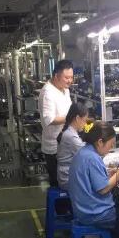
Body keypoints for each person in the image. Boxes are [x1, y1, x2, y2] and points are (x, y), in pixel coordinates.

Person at [68, 121, 119, 229]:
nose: (111, 147)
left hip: (82, 211)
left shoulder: (83, 152)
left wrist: (109, 174)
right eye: (111, 144)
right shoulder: (93, 158)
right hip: (96, 215)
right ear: (100, 142)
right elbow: (103, 189)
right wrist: (118, 175)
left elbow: (90, 180)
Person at [38, 60, 74, 188]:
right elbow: (50, 119)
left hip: (66, 143)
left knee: (68, 182)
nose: (70, 81)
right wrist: (72, 118)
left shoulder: (65, 90)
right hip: (54, 148)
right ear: (56, 76)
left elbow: (69, 110)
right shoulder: (48, 92)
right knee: (58, 184)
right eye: (66, 78)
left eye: (71, 77)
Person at [56, 102, 90, 190]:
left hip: (69, 175)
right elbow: (88, 156)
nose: (85, 124)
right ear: (78, 118)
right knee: (100, 184)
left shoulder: (70, 132)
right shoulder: (71, 136)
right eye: (84, 120)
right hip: (67, 180)